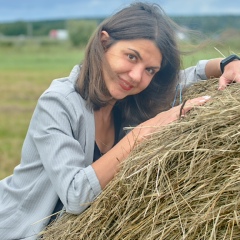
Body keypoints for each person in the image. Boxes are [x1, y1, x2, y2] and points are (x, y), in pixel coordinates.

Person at [0, 2, 240, 240]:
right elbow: (75, 194)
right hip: (19, 231)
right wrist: (144, 132)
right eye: (131, 57)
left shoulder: (127, 97)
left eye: (150, 70)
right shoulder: (58, 103)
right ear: (104, 42)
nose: (136, 76)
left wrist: (227, 63)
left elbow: (183, 78)